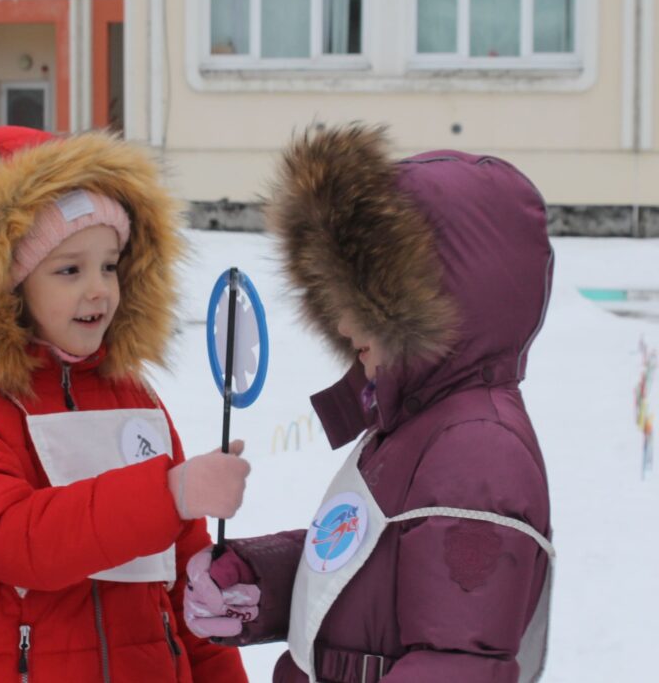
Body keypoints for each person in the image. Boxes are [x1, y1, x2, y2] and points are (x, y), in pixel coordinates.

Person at [183, 124, 555, 683]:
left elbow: (455, 662)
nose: (341, 322)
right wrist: (257, 580)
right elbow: (371, 571)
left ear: (432, 303)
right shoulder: (417, 425)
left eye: (363, 301)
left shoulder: (477, 449)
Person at [0, 126, 251, 682]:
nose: (100, 289)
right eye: (69, 270)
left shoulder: (136, 399)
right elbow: (16, 539)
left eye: (109, 265)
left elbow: (185, 585)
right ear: (7, 287)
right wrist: (169, 493)